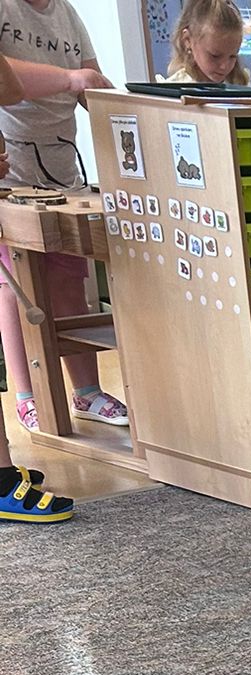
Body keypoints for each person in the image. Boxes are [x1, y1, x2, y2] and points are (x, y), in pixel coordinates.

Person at [0, 0, 128, 432]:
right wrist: (71, 78)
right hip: (11, 174)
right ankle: (28, 396)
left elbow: (91, 83)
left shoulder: (67, 14)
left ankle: (87, 391)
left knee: (70, 279)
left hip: (61, 174)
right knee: (16, 288)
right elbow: (7, 78)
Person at [165, 0, 248, 88]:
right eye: (215, 56)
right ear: (187, 40)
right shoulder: (175, 88)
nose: (224, 66)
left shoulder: (240, 85)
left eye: (233, 56)